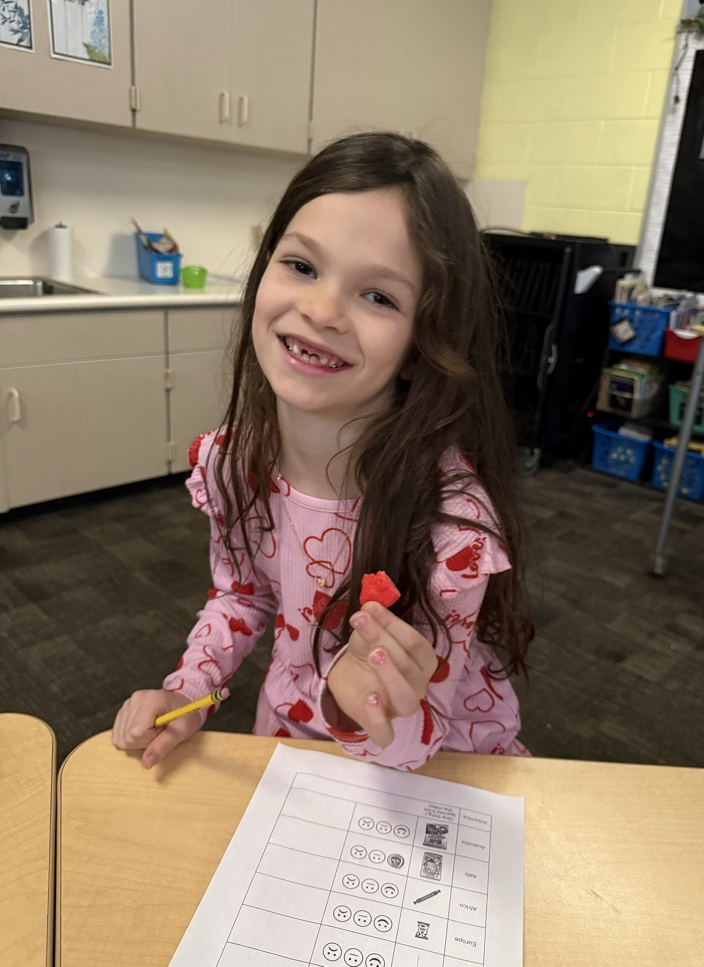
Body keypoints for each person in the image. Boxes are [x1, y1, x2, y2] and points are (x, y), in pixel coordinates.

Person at [112, 131, 534, 772]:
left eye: (379, 296)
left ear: (425, 340)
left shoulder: (454, 526)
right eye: (302, 266)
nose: (322, 309)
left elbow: (424, 733)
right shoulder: (235, 461)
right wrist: (189, 691)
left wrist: (354, 707)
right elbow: (242, 596)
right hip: (289, 734)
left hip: (428, 764)